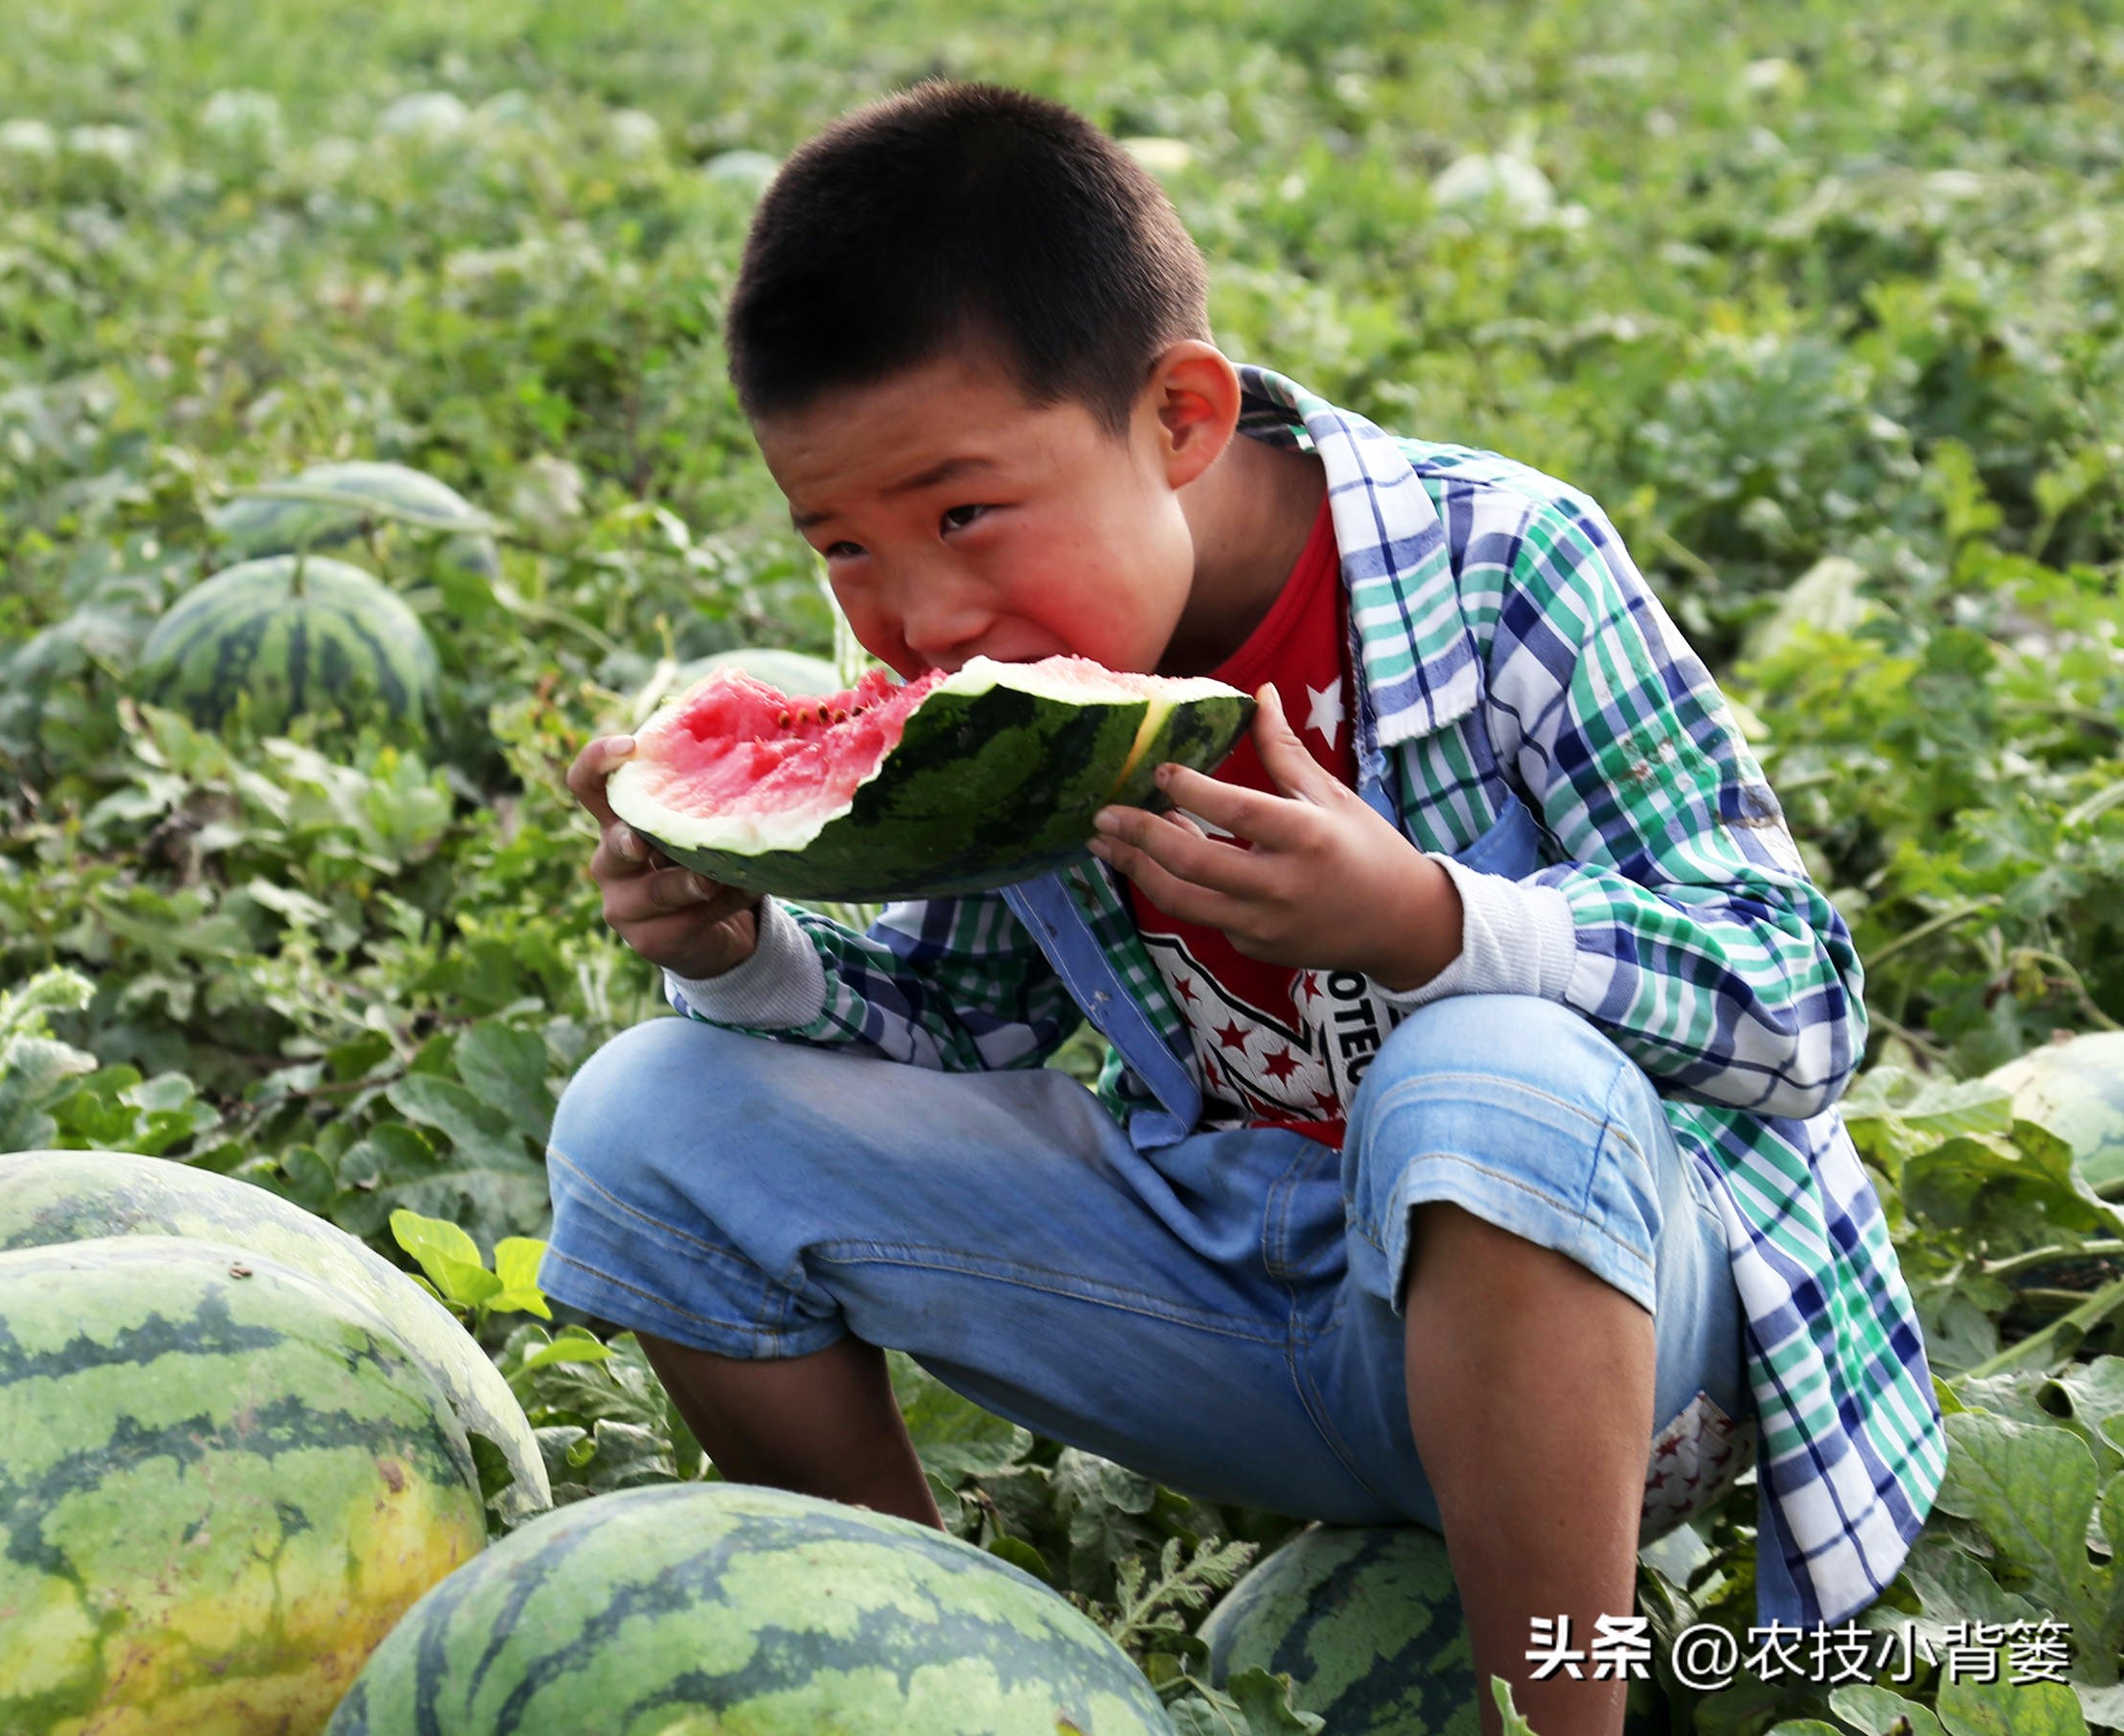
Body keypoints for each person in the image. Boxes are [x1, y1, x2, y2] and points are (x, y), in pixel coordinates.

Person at [545, 80, 1941, 1736]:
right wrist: (743, 952)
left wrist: (1435, 923)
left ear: (1182, 418)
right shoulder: (1005, 680)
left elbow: (1803, 1004)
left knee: (1485, 1073)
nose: (917, 615)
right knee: (650, 1119)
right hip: (1242, 1312)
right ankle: (933, 1679)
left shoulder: (1506, 568)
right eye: (842, 544)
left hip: (1622, 1349)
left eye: (963, 513)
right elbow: (956, 1021)